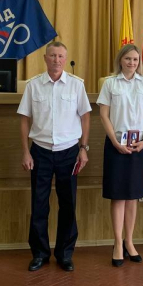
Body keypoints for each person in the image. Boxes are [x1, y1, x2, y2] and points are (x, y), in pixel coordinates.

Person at [18, 41, 91, 272]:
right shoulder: (33, 86)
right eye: (52, 56)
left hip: (69, 152)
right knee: (39, 205)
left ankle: (64, 254)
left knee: (68, 204)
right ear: (45, 58)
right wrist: (26, 151)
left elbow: (86, 117)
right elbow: (24, 119)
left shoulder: (76, 85)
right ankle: (39, 254)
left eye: (60, 56)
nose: (56, 60)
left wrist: (84, 148)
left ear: (65, 58)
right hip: (40, 151)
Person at [97, 44, 143, 266]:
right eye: (128, 59)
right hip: (116, 145)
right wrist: (114, 141)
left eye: (135, 59)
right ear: (120, 60)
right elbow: (104, 115)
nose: (132, 63)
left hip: (139, 146)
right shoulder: (110, 84)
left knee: (133, 195)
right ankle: (116, 243)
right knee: (118, 195)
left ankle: (129, 241)